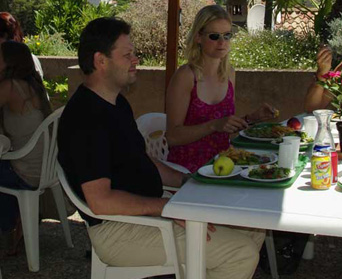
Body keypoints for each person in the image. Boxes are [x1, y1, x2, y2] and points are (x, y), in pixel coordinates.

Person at [58, 17, 264, 279]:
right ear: (100, 61)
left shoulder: (116, 104)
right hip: (118, 229)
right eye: (128, 54)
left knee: (252, 228)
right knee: (240, 253)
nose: (136, 60)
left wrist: (189, 182)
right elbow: (101, 201)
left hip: (148, 212)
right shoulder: (85, 118)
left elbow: (142, 161)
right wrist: (167, 207)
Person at [166, 5, 278, 172]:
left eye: (227, 35)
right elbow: (173, 137)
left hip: (225, 165)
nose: (222, 42)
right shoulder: (186, 76)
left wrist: (250, 119)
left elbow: (224, 127)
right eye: (214, 36)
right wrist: (213, 125)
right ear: (198, 37)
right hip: (188, 171)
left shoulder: (228, 74)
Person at [0, 40, 53, 250]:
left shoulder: (9, 87)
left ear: (9, 63)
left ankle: (13, 220)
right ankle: (22, 215)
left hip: (25, 172)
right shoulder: (33, 84)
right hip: (46, 169)